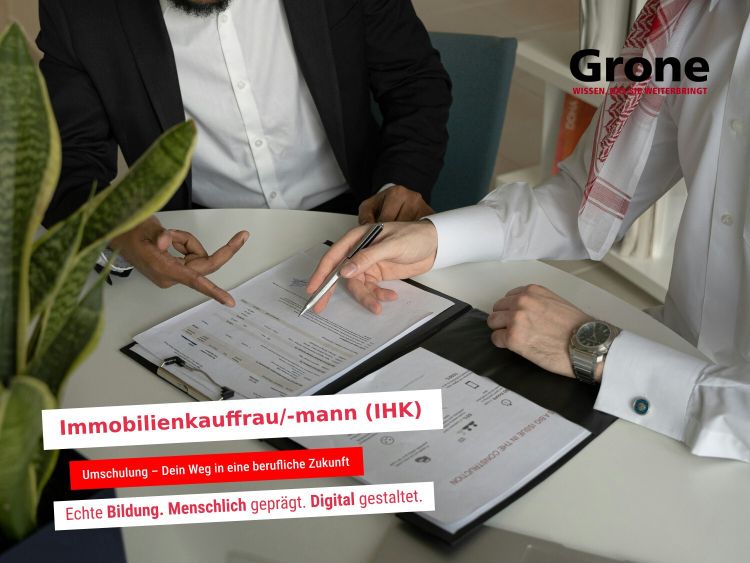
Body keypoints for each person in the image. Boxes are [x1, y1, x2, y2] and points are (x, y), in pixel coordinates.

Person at [307, 0, 750, 462]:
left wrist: (597, 350)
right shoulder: (694, 15)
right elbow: (584, 201)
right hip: (665, 366)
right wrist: (434, 238)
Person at [36, 0, 451, 306]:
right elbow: (68, 161)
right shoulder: (77, 10)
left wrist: (401, 182)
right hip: (200, 240)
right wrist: (117, 228)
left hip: (357, 220)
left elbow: (414, 81)